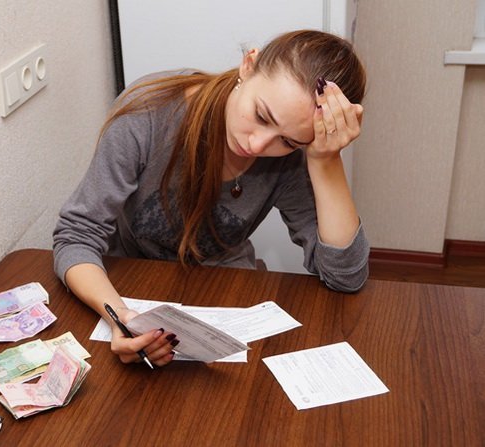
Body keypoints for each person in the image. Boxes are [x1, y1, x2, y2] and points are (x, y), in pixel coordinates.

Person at [53, 30, 369, 367]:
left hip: (225, 296)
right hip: (127, 285)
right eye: (261, 116)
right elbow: (75, 237)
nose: (258, 145)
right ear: (248, 65)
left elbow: (344, 276)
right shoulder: (148, 113)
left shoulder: (290, 160)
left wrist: (325, 161)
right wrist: (121, 318)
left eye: (289, 141)